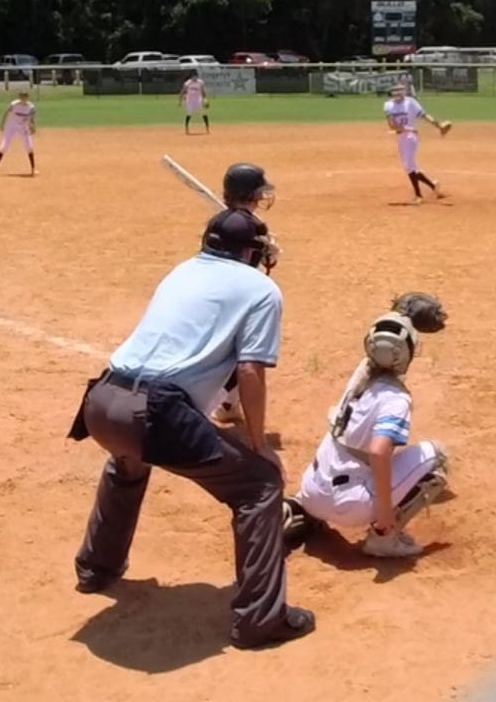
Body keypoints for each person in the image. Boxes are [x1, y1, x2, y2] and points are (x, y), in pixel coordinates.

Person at [65, 185, 313, 650]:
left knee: (128, 461)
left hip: (101, 399)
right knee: (259, 485)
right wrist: (259, 445)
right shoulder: (262, 289)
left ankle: (96, 568)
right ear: (251, 252)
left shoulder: (181, 270)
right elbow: (250, 370)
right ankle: (261, 619)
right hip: (154, 411)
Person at [284, 293, 452, 559]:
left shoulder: (360, 373)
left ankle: (298, 510)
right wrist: (384, 513)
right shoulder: (396, 399)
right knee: (437, 457)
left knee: (345, 448)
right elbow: (378, 451)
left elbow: (383, 342)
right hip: (349, 505)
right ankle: (383, 538)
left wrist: (400, 315)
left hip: (311, 490)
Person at [207, 163, 280, 427]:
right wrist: (269, 252)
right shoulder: (251, 227)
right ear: (251, 194)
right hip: (236, 300)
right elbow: (248, 269)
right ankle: (211, 405)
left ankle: (228, 405)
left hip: (212, 294)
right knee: (242, 354)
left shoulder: (219, 222)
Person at [383, 82, 450, 204]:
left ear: (404, 92)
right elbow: (392, 125)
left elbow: (424, 116)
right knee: (410, 167)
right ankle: (433, 186)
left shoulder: (410, 102)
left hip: (410, 138)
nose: (398, 94)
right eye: (396, 91)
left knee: (409, 167)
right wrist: (407, 128)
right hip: (402, 137)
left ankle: (419, 195)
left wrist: (438, 125)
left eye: (400, 91)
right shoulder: (388, 105)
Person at [0, 90, 36, 176]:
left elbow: (31, 118)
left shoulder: (31, 107)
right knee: (4, 146)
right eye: (22, 96)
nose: (23, 98)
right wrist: (2, 124)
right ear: (19, 97)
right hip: (11, 126)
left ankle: (33, 169)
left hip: (23, 127)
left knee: (29, 147)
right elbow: (6, 113)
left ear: (27, 97)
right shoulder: (14, 104)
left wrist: (33, 126)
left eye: (25, 96)